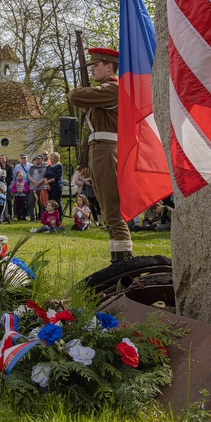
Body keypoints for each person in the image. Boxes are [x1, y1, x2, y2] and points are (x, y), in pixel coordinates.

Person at [68, 47, 132, 262]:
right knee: (107, 211)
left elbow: (75, 96)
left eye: (96, 65)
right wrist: (85, 161)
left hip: (106, 150)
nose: (93, 69)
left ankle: (123, 261)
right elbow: (91, 132)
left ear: (109, 67)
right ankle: (117, 259)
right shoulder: (104, 91)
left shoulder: (113, 89)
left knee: (112, 211)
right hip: (99, 150)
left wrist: (85, 89)